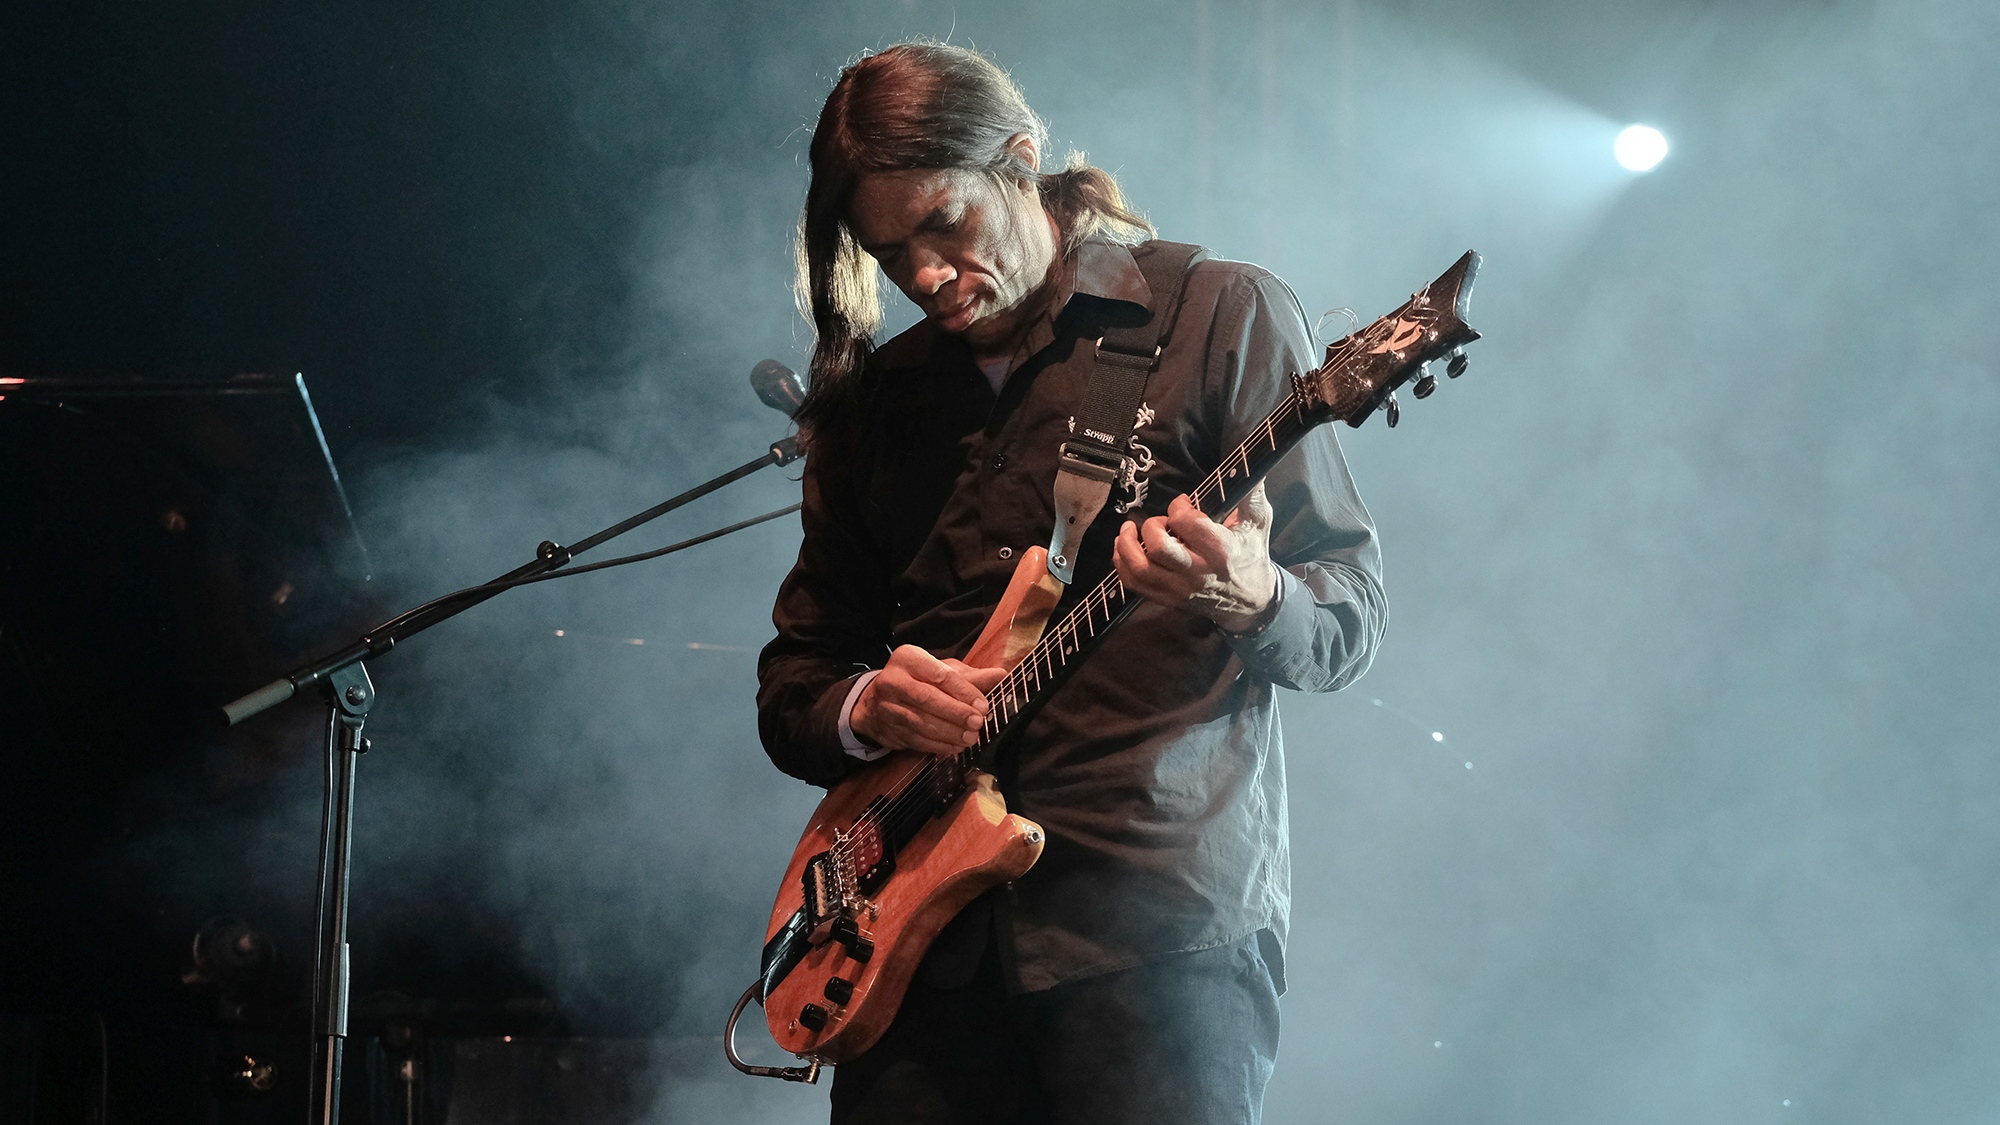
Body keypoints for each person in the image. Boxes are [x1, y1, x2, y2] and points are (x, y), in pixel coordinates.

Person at [756, 41, 1385, 1125]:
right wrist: (866, 708)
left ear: (1020, 159)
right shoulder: (876, 404)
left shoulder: (1214, 314)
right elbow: (795, 683)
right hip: (911, 947)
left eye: (943, 225)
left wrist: (1252, 596)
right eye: (888, 251)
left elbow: (1348, 617)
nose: (923, 278)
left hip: (1152, 937)